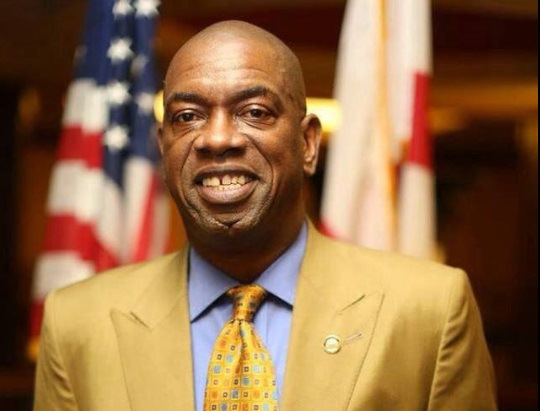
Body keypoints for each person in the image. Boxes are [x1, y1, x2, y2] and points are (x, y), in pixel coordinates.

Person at [34, 21, 498, 411]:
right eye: (188, 116)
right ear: (162, 147)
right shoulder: (77, 324)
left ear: (308, 144)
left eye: (254, 112)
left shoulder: (430, 311)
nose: (217, 139)